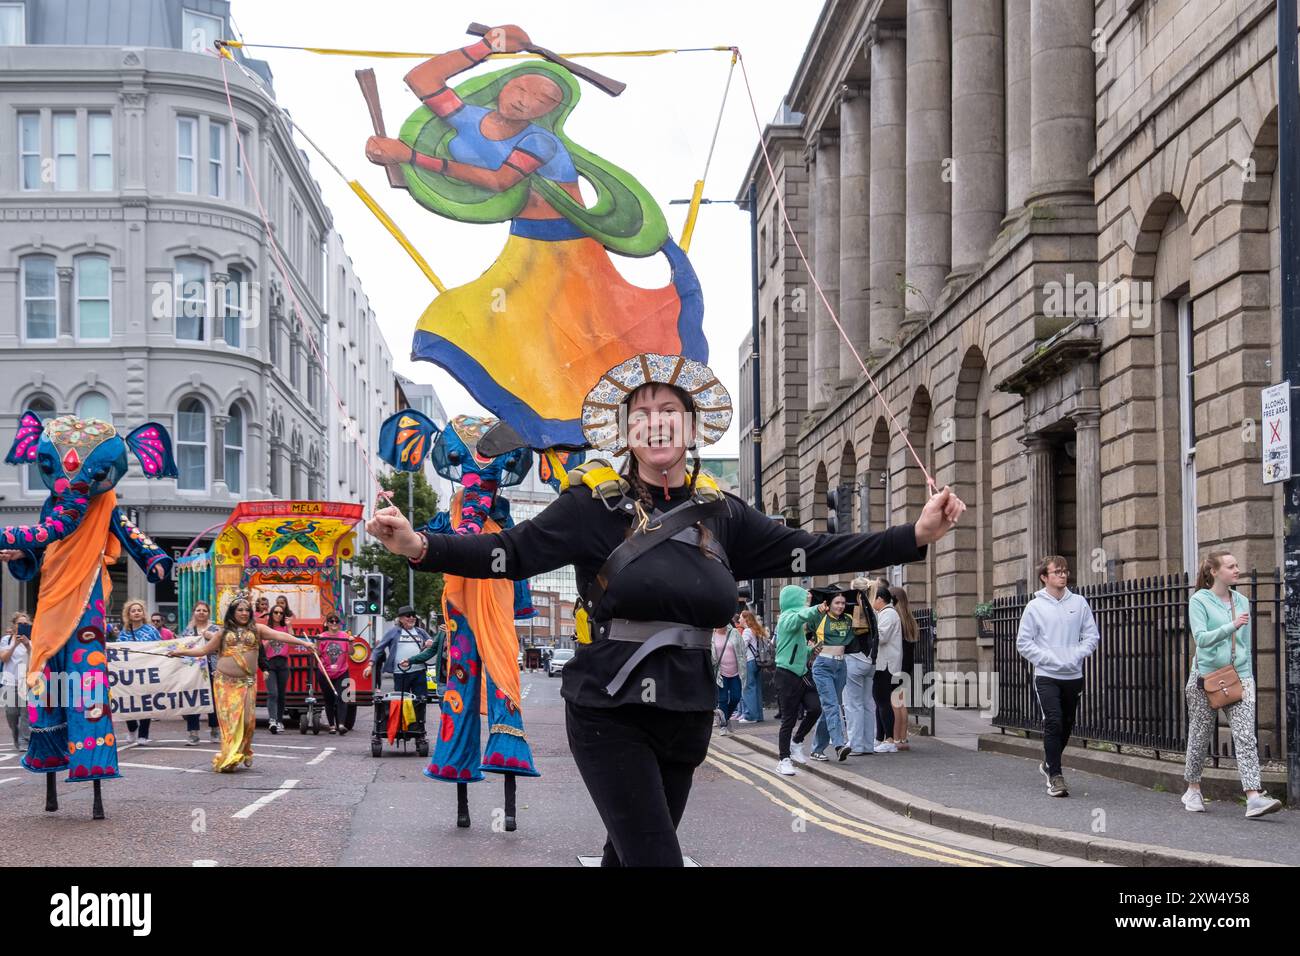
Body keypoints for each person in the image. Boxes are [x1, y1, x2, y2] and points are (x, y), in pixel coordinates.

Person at [366, 353, 963, 865]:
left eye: (668, 411)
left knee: (627, 857)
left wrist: (912, 535)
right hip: (609, 710)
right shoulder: (589, 506)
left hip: (688, 710)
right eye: (642, 413)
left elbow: (811, 550)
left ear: (691, 426)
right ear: (625, 430)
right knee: (656, 858)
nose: (656, 423)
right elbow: (509, 553)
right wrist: (419, 545)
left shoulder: (723, 513)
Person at [1182, 551, 1281, 818]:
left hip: (1239, 677)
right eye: (1231, 566)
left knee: (1246, 736)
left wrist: (1246, 674)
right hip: (1206, 678)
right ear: (1214, 571)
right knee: (1200, 736)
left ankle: (1253, 797)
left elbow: (1244, 643)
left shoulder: (1242, 601)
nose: (1237, 570)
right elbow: (1201, 639)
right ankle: (1193, 789)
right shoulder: (1199, 601)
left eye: (1237, 565)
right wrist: (1231, 625)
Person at [168, 597, 316, 772]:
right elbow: (204, 650)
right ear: (232, 612)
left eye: (247, 610)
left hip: (246, 683)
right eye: (240, 610)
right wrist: (180, 652)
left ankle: (244, 750)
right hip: (225, 683)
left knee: (247, 722)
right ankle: (230, 757)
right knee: (230, 723)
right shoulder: (223, 632)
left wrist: (304, 643)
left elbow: (280, 635)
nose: (244, 613)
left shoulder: (257, 629)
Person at [1014, 555, 1100, 797]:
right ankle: (1056, 777)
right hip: (1047, 674)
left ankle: (1049, 763)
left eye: (1065, 571)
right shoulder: (1034, 607)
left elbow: (1091, 637)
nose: (1063, 575)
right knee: (1053, 721)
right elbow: (1024, 643)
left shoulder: (1080, 603)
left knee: (1067, 723)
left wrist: (1075, 656)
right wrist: (1050, 659)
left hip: (1073, 675)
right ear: (1044, 577)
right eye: (1057, 572)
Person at [808, 589, 855, 762]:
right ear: (828, 605)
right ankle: (839, 745)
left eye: (843, 603)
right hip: (823, 666)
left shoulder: (849, 619)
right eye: (837, 603)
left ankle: (816, 749)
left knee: (830, 707)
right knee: (832, 706)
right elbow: (803, 624)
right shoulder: (820, 618)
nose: (841, 606)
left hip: (841, 666)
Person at [117, 599, 161, 746]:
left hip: (147, 672)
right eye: (133, 611)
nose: (136, 613)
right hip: (129, 674)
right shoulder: (124, 633)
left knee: (145, 703)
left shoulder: (152, 631)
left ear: (143, 614)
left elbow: (160, 647)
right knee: (127, 701)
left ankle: (143, 734)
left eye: (139, 610)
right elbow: (117, 652)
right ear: (128, 614)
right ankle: (132, 728)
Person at [844, 577, 878, 755]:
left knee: (853, 704)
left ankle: (855, 745)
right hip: (871, 661)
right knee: (867, 704)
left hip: (855, 659)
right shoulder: (873, 609)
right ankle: (868, 745)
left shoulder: (853, 608)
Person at [181, 600, 221, 745]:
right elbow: (183, 648)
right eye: (198, 610)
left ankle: (215, 729)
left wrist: (209, 636)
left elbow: (222, 645)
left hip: (213, 669)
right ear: (194, 612)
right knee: (194, 700)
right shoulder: (187, 630)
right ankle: (193, 732)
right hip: (194, 670)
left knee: (214, 700)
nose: (201, 613)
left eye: (204, 610)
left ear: (208, 613)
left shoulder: (215, 629)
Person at [871, 583, 902, 753]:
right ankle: (880, 738)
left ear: (880, 599)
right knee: (879, 701)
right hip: (884, 664)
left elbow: (881, 637)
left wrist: (869, 629)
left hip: (886, 665)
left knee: (883, 702)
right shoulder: (884, 613)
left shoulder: (888, 614)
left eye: (872, 598)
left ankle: (889, 739)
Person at [889, 584, 918, 751]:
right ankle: (903, 737)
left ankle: (895, 738)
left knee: (894, 703)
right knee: (901, 702)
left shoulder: (896, 619)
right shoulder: (910, 620)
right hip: (907, 666)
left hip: (896, 665)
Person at [315, 613, 355, 735]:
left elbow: (352, 653)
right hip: (325, 672)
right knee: (329, 700)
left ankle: (341, 724)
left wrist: (351, 643)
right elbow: (317, 653)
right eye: (331, 621)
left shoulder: (344, 636)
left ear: (339, 623)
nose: (333, 623)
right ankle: (332, 725)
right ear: (326, 623)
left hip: (342, 671)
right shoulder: (322, 636)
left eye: (336, 621)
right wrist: (317, 642)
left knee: (343, 698)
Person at [261, 603, 294, 734]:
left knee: (281, 694)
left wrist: (289, 626)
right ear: (271, 614)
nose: (278, 615)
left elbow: (292, 642)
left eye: (281, 613)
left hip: (283, 662)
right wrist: (270, 637)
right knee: (272, 693)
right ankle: (272, 720)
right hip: (270, 663)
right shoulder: (266, 629)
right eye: (276, 612)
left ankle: (280, 721)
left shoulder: (285, 628)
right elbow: (262, 648)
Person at [1, 612, 31, 751]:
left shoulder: (31, 641)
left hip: (25, 681)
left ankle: (24, 740)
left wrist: (27, 646)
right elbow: (4, 658)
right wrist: (15, 644)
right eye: (20, 623)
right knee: (11, 714)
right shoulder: (6, 640)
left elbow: (35, 660)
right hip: (10, 681)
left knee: (26, 713)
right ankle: (16, 736)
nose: (23, 626)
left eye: (25, 624)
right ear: (14, 625)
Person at [710, 621, 746, 736]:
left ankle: (726, 717)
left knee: (736, 697)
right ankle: (723, 726)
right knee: (723, 700)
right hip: (721, 674)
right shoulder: (711, 635)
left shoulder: (734, 633)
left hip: (736, 672)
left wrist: (744, 669)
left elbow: (742, 650)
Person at [735, 610, 767, 724]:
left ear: (745, 619)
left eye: (740, 618)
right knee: (756, 688)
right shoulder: (756, 630)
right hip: (757, 662)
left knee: (748, 688)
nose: (739, 620)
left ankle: (750, 716)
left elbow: (742, 647)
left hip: (749, 661)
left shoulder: (747, 631)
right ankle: (758, 715)